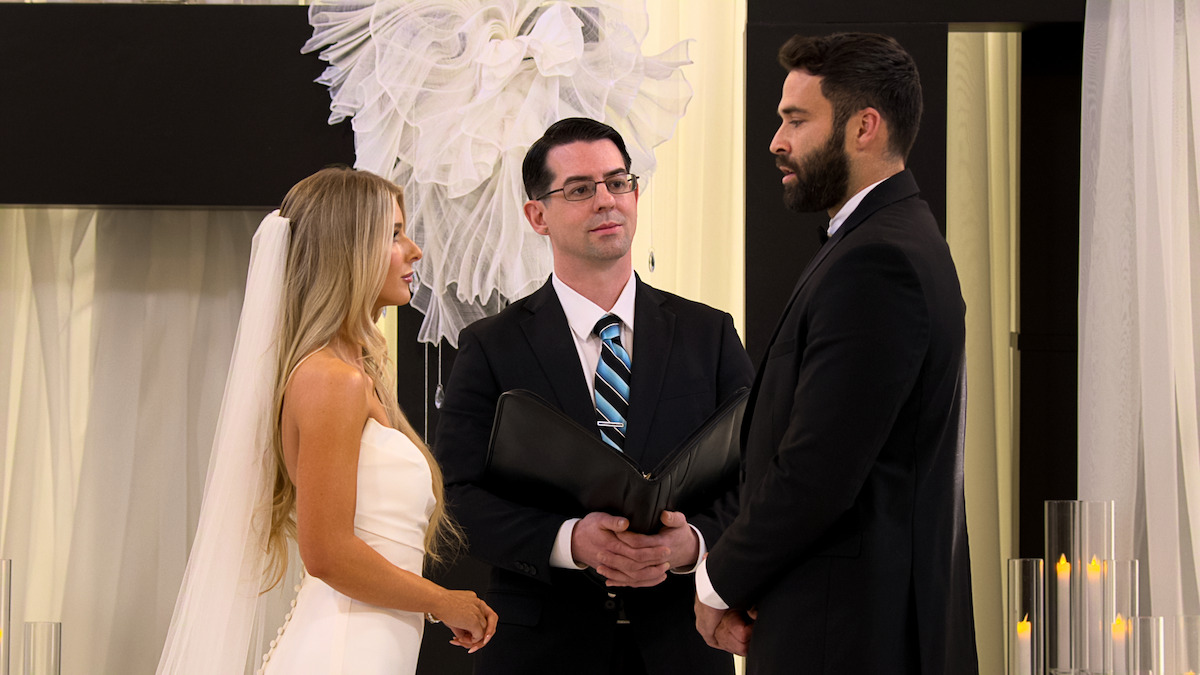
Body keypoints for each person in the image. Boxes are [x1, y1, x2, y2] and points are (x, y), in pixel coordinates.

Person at [694, 33, 980, 674]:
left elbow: (818, 470)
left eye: (796, 120)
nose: (777, 141)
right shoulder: (879, 241)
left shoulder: (878, 261)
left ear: (864, 127)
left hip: (850, 639)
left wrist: (716, 582)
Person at [434, 117, 754, 675]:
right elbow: (456, 496)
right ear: (538, 215)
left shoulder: (711, 334)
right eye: (581, 189)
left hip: (683, 647)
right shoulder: (491, 347)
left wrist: (693, 544)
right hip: (539, 652)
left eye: (619, 182)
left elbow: (759, 474)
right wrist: (569, 541)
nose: (607, 201)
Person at [156, 167, 497, 675]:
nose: (414, 252)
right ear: (348, 250)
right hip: (343, 653)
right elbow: (328, 553)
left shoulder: (354, 374)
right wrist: (443, 602)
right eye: (394, 235)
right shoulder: (332, 380)